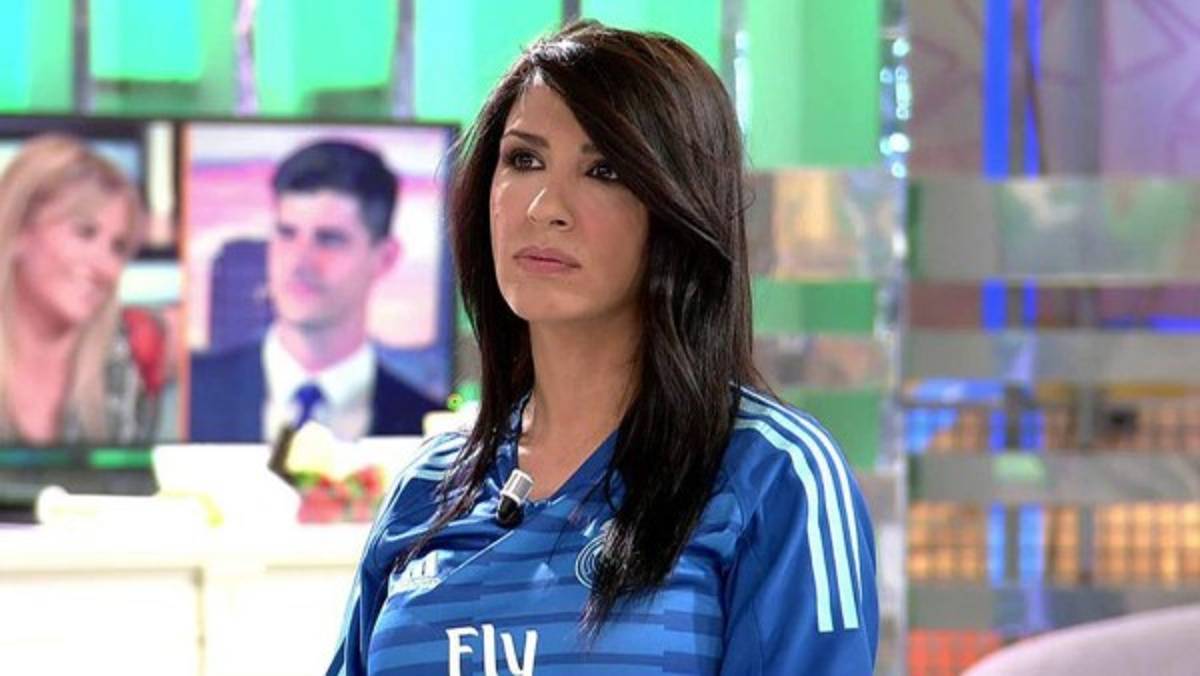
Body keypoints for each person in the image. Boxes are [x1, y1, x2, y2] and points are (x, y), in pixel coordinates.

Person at [328, 21, 877, 676]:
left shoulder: (773, 475)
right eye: (523, 160)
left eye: (604, 170)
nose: (544, 206)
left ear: (676, 207)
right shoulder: (426, 488)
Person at [189, 140, 440, 442]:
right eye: (287, 233)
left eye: (329, 239)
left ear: (385, 258)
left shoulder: (423, 425)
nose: (299, 262)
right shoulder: (193, 393)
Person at [0, 134, 163, 444]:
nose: (105, 267)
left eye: (117, 247)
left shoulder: (127, 358)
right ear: (20, 230)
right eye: (85, 233)